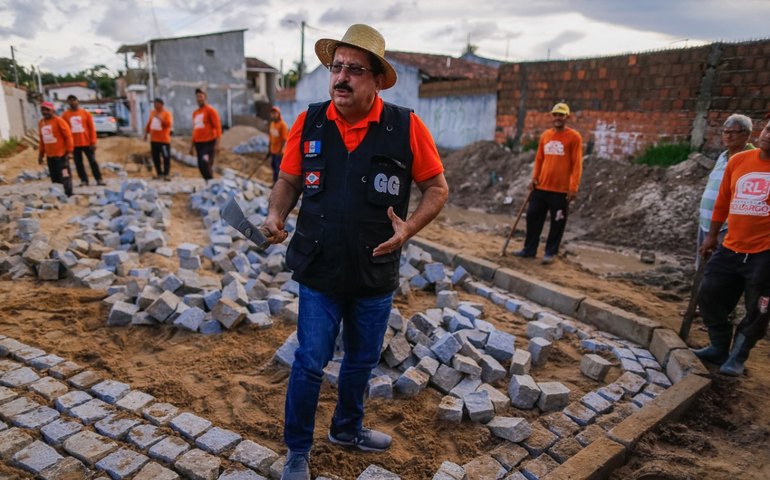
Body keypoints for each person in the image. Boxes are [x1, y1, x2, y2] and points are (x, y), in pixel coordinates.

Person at [262, 24, 448, 480]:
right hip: (319, 269)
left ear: (377, 79)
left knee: (362, 361)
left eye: (354, 70)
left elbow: (437, 188)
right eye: (336, 67)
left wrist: (408, 230)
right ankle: (298, 451)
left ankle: (347, 429)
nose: (341, 78)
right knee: (309, 360)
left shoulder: (406, 127)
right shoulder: (309, 122)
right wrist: (275, 214)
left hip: (373, 272)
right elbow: (288, 180)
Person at [695, 119, 770, 376]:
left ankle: (738, 356)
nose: (769, 135)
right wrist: (712, 235)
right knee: (709, 292)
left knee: (758, 308)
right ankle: (718, 345)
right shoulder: (739, 161)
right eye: (769, 129)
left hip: (764, 254)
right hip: (730, 246)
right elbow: (723, 202)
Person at [514, 102, 583, 264]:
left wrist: (573, 188)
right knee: (532, 217)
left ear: (567, 117)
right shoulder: (546, 135)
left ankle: (550, 253)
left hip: (560, 191)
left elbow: (577, 164)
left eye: (561, 115)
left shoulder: (574, 137)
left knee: (557, 222)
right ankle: (529, 249)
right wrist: (534, 178)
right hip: (541, 187)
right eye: (555, 115)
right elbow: (539, 159)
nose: (558, 118)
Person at [696, 114, 754, 268]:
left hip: (728, 228)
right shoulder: (723, 156)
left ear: (746, 134)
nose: (727, 136)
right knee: (703, 266)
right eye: (725, 132)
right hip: (706, 223)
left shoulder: (752, 159)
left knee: (719, 270)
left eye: (732, 132)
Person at [61, 95, 104, 186]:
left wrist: (93, 142)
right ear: (68, 103)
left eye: (74, 100)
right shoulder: (65, 115)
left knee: (92, 161)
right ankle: (84, 180)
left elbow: (91, 128)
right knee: (78, 163)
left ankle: (99, 179)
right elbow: (64, 131)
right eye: (70, 100)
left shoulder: (85, 113)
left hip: (87, 142)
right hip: (74, 144)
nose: (72, 102)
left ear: (77, 101)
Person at [38, 101, 74, 197]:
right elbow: (42, 140)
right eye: (43, 110)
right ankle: (58, 194)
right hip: (50, 155)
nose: (45, 112)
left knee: (65, 175)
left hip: (61, 155)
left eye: (47, 110)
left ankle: (68, 194)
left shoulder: (59, 121)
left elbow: (68, 136)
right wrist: (41, 154)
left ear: (52, 110)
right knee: (54, 176)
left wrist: (70, 151)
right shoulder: (41, 123)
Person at [188, 88, 221, 180]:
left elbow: (217, 127)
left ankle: (211, 182)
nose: (199, 98)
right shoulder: (195, 113)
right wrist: (192, 146)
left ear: (205, 98)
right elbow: (195, 130)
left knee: (205, 162)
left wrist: (218, 144)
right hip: (199, 143)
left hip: (209, 142)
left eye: (201, 96)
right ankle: (208, 183)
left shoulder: (210, 111)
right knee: (200, 166)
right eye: (197, 96)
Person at [144, 97, 174, 181]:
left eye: (157, 103)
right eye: (154, 104)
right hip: (154, 140)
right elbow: (149, 124)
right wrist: (146, 133)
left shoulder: (166, 114)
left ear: (161, 104)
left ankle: (166, 174)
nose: (155, 105)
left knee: (166, 157)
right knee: (155, 157)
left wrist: (160, 118)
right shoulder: (153, 113)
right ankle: (159, 173)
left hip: (164, 140)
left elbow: (168, 124)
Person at [267, 106, 289, 185]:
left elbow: (284, 139)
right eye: (272, 113)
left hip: (279, 152)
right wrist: (269, 148)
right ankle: (274, 182)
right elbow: (270, 137)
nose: (273, 115)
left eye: (275, 113)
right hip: (273, 150)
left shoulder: (283, 125)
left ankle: (278, 185)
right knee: (273, 166)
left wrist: (280, 150)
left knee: (278, 168)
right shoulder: (272, 124)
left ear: (278, 114)